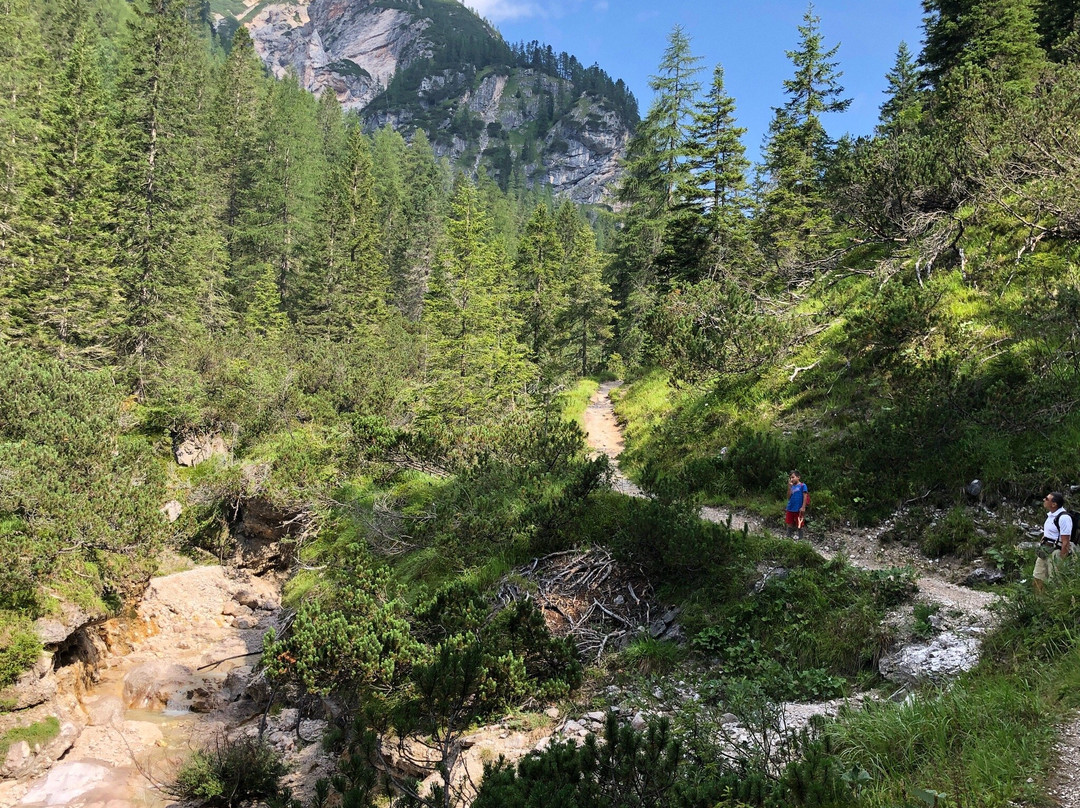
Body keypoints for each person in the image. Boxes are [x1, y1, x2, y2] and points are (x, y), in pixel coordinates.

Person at [1034, 491, 1072, 593]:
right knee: (1038, 576)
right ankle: (1039, 600)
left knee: (1054, 580)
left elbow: (1065, 542)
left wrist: (1061, 561)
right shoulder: (1051, 515)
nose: (1044, 500)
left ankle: (1053, 602)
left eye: (1047, 499)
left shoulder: (1064, 518)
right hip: (1045, 549)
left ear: (1054, 504)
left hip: (1056, 551)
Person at [785, 471, 809, 541]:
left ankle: (801, 539)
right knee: (789, 523)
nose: (791, 479)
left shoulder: (803, 485)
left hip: (799, 509)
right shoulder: (791, 486)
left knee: (799, 524)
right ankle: (788, 538)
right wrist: (789, 487)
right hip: (790, 508)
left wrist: (803, 507)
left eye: (793, 477)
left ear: (798, 477)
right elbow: (788, 497)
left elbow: (805, 496)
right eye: (790, 478)